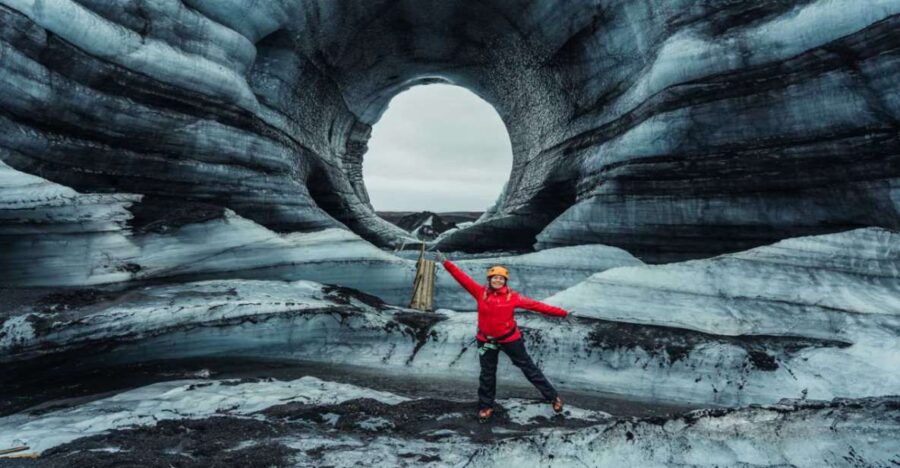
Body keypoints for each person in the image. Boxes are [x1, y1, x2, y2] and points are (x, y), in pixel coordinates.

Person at [436, 251, 571, 423]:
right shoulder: (480, 293)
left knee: (528, 368)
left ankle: (553, 397)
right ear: (490, 280)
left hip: (510, 340)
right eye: (495, 278)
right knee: (487, 373)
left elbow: (537, 306)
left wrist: (563, 314)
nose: (497, 280)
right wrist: (446, 263)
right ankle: (486, 406)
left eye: (501, 278)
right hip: (487, 341)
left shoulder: (513, 297)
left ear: (505, 281)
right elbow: (462, 278)